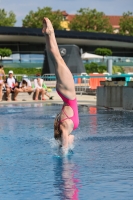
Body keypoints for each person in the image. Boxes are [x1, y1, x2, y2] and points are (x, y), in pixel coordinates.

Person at [42, 18, 79, 154]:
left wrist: (64, 154)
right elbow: (71, 138)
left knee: (58, 58)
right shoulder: (66, 128)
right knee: (56, 59)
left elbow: (65, 146)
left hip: (68, 94)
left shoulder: (65, 128)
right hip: (66, 94)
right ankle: (48, 34)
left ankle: (50, 33)